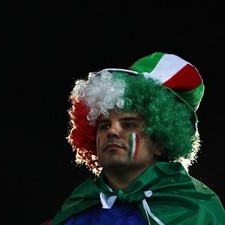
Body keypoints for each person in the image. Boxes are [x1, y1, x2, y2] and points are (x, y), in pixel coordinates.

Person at [50, 52, 225, 225]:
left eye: (128, 124)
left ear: (160, 141)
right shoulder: (76, 208)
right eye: (104, 126)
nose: (112, 131)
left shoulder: (196, 211)